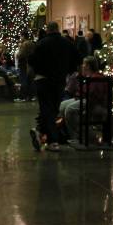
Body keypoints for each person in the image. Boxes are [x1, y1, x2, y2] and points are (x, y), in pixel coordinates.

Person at [30, 21, 77, 152]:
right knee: (54, 108)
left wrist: (39, 71)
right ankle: (42, 133)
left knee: (47, 108)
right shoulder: (67, 43)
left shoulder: (41, 43)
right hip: (60, 81)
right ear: (58, 29)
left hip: (43, 80)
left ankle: (51, 139)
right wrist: (66, 71)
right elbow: (76, 59)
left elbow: (32, 60)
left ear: (47, 30)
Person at [57, 56, 108, 143]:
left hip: (94, 103)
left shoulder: (96, 77)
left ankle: (79, 136)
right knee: (62, 105)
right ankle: (67, 133)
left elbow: (92, 94)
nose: (82, 66)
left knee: (70, 109)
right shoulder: (87, 76)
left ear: (88, 66)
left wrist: (79, 93)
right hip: (86, 99)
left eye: (84, 64)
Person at [15, 33, 36, 103]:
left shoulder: (24, 44)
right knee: (31, 80)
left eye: (21, 36)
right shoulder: (32, 43)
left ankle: (22, 97)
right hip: (31, 64)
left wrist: (17, 55)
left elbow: (20, 54)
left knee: (23, 80)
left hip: (24, 64)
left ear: (23, 36)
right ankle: (32, 96)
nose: (20, 38)